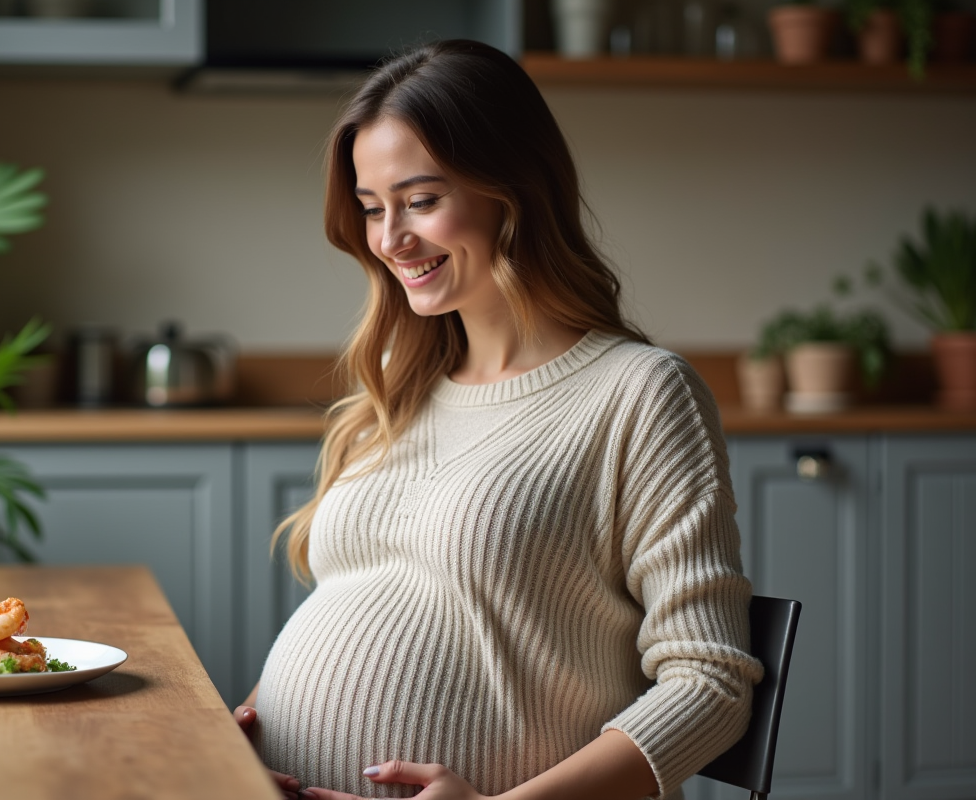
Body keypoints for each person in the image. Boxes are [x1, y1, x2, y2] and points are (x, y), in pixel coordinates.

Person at [233, 39, 763, 800]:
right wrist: (244, 734)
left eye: (421, 201)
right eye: (373, 208)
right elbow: (349, 605)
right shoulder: (400, 383)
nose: (389, 240)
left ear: (514, 191)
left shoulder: (640, 394)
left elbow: (710, 684)